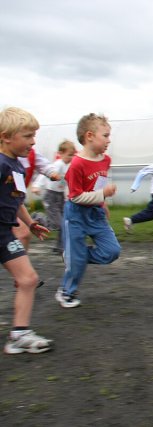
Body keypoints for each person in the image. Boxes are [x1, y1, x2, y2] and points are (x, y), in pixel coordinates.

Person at [0, 107, 53, 354]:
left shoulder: (19, 167)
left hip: (4, 234)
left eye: (34, 136)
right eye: (28, 136)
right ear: (5, 137)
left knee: (28, 279)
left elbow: (17, 200)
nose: (33, 142)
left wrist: (30, 223)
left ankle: (19, 335)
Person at [56, 113, 121, 308]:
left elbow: (98, 184)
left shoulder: (105, 160)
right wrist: (103, 194)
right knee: (76, 258)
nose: (109, 140)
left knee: (112, 251)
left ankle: (73, 256)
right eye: (105, 136)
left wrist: (103, 203)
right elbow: (75, 197)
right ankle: (66, 292)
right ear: (89, 136)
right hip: (76, 214)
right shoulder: (76, 164)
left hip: (96, 213)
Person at [31, 140, 77, 253]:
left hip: (60, 196)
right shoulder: (58, 164)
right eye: (69, 155)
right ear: (60, 153)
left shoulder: (69, 166)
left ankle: (60, 247)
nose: (71, 157)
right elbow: (44, 174)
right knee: (57, 224)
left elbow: (69, 181)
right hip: (51, 196)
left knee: (65, 222)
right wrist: (37, 185)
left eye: (73, 155)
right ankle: (37, 217)